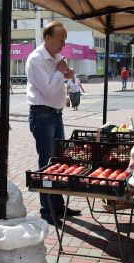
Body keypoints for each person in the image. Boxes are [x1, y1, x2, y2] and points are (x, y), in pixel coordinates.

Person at [26, 21, 82, 225]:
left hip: (56, 115)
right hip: (42, 116)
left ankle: (58, 206)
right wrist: (60, 72)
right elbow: (48, 91)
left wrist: (68, 76)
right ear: (47, 38)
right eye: (60, 40)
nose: (63, 45)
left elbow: (59, 85)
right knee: (47, 163)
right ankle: (46, 210)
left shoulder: (57, 57)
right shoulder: (36, 59)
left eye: (64, 41)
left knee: (59, 161)